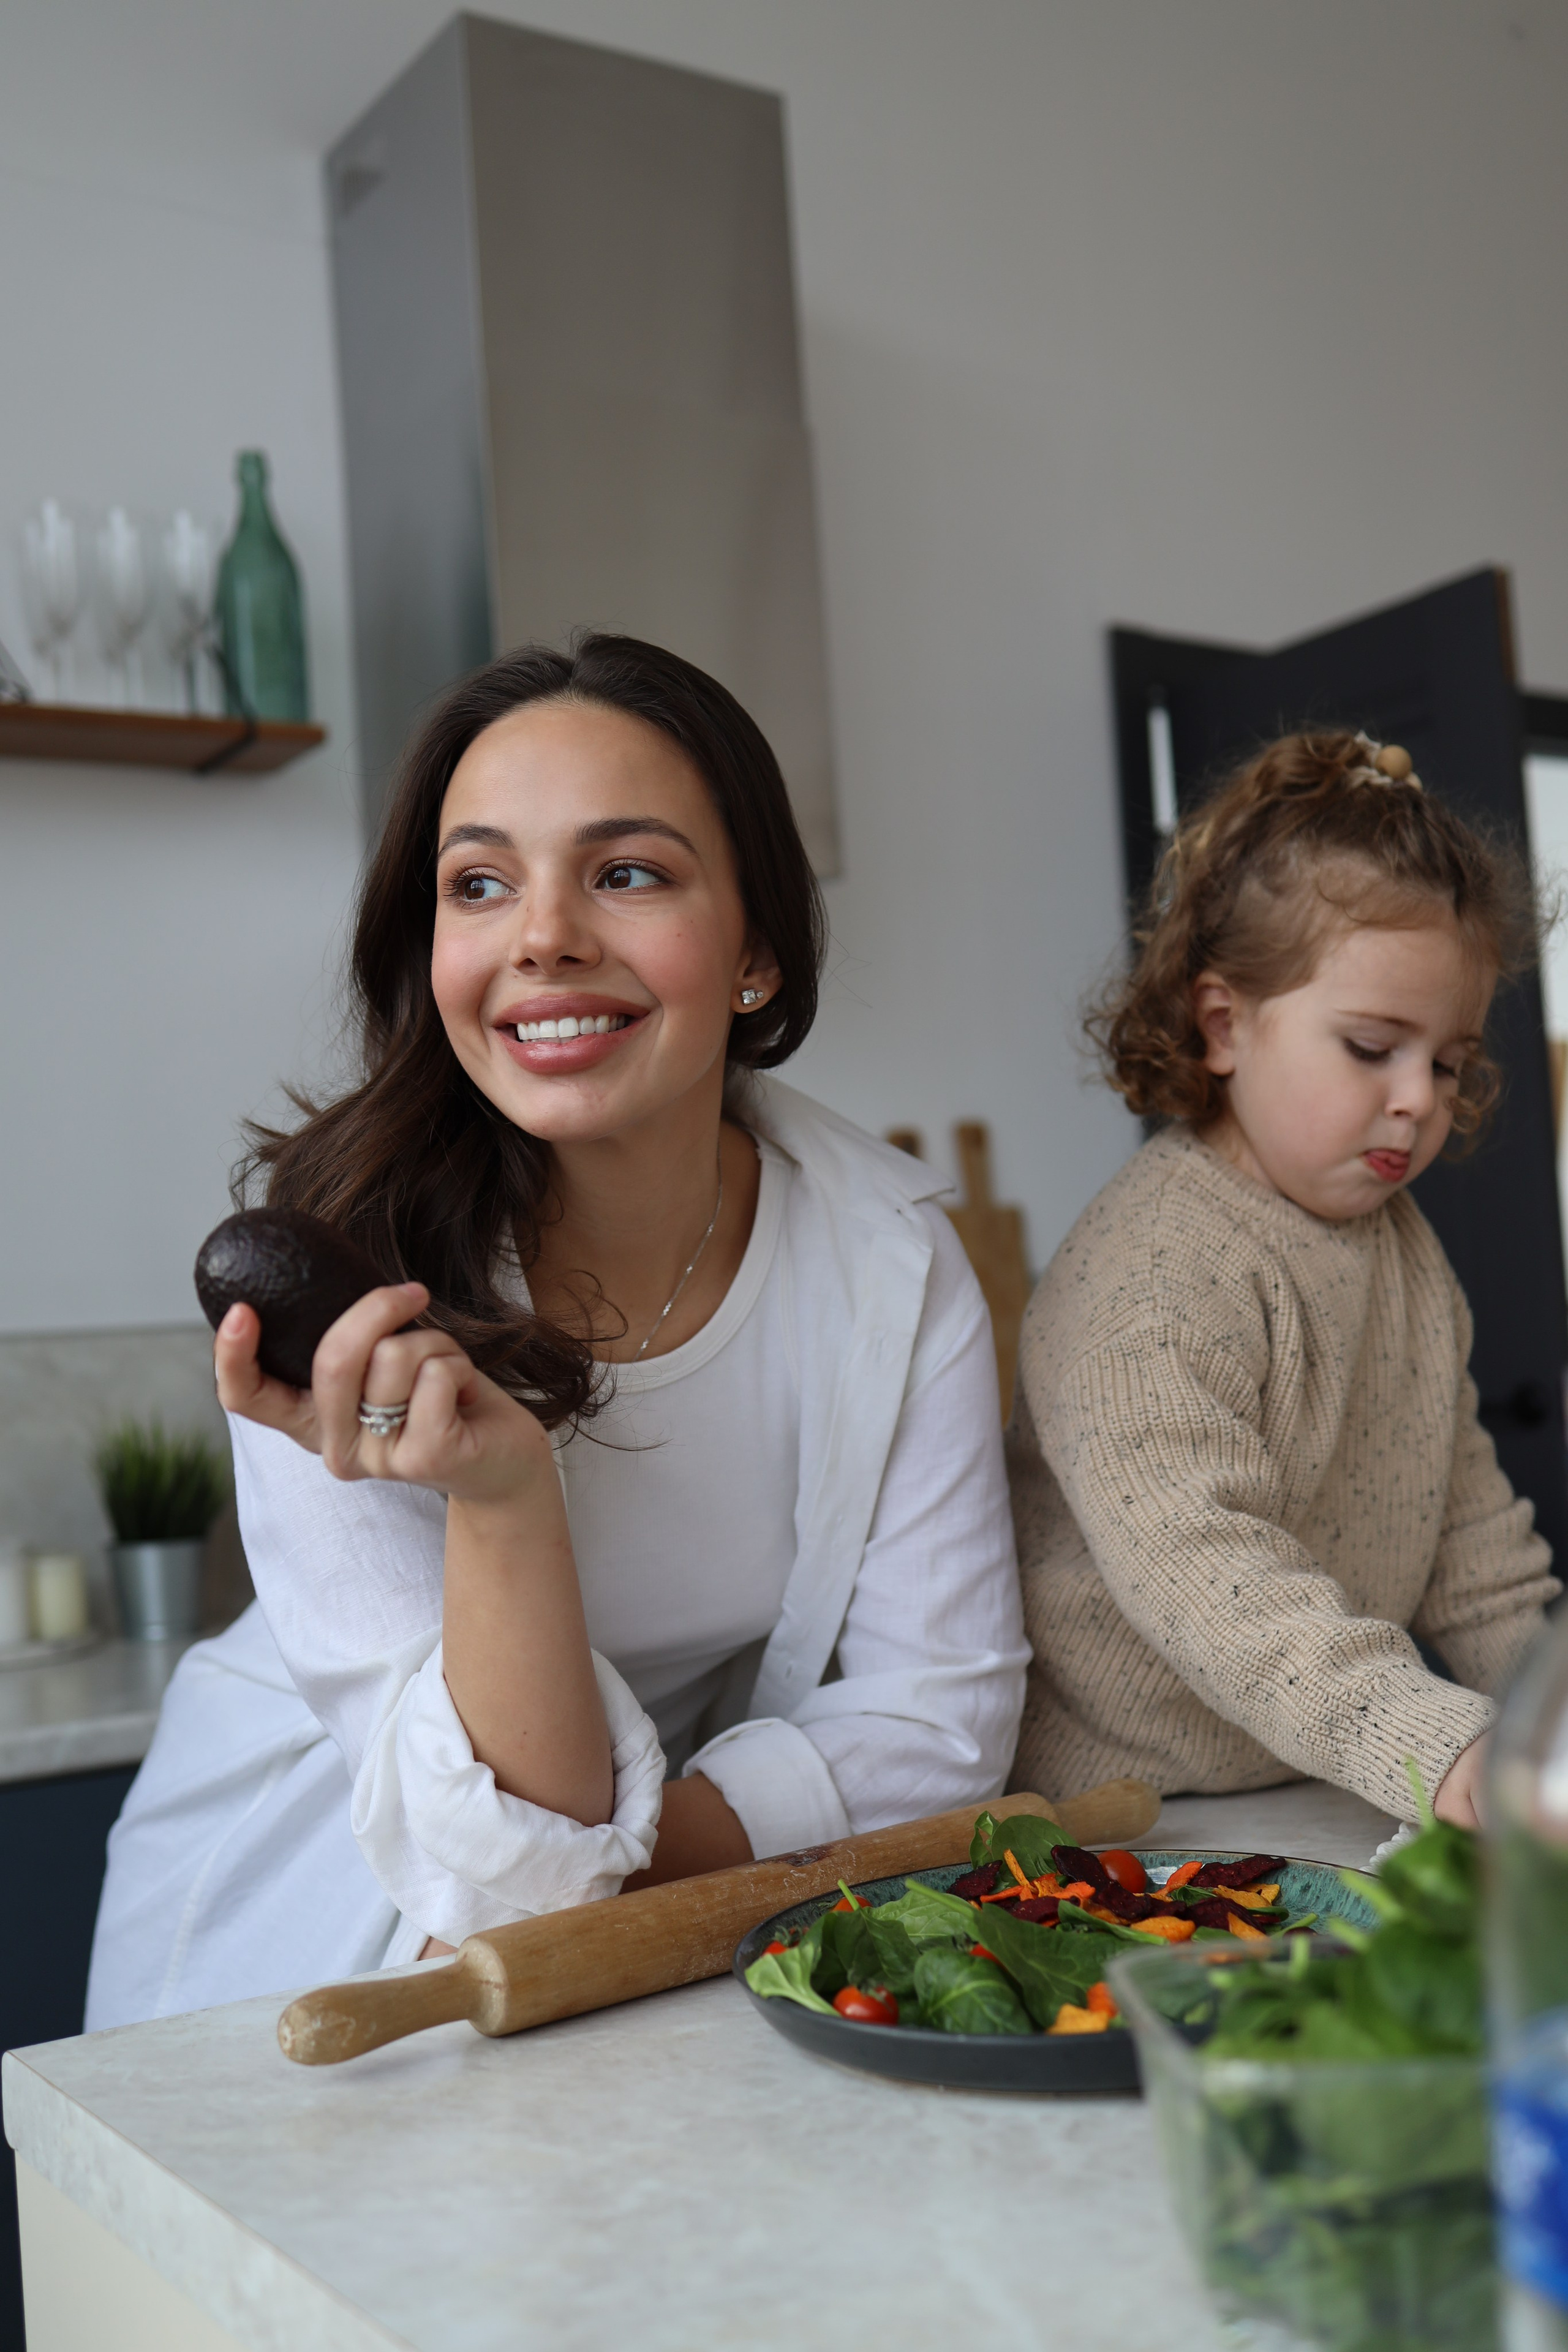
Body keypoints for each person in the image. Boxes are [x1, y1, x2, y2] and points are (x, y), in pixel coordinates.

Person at [86, 636, 1027, 2029]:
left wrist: (625, 1861)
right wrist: (504, 1496)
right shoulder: (351, 1275)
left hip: (656, 1923)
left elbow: (943, 1721)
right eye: (479, 884)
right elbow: (498, 1866)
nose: (542, 938)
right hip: (310, 1915)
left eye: (626, 871)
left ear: (757, 945)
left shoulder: (888, 1264)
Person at [1008, 729, 1559, 1829]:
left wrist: (1546, 1720)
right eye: (1371, 1048)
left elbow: (1473, 1545)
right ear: (1225, 1025)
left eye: (1447, 1062)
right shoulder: (1152, 1274)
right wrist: (1446, 1750)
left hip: (1312, 1777)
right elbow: (1212, 1583)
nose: (1419, 1098)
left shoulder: (1403, 1249)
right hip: (1128, 1815)